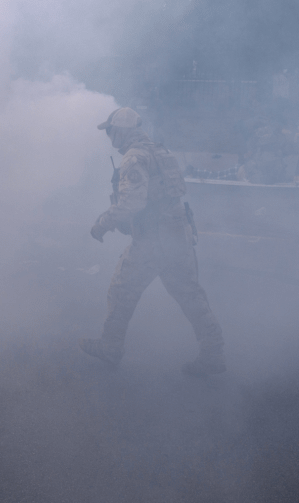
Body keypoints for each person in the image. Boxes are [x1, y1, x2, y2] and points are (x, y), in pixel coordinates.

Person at [81, 107, 225, 376]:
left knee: (122, 290)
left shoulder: (134, 157)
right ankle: (214, 352)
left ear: (121, 131)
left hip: (154, 237)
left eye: (111, 131)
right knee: (191, 295)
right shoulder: (160, 151)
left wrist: (102, 224)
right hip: (177, 232)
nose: (109, 136)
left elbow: (132, 203)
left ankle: (110, 346)